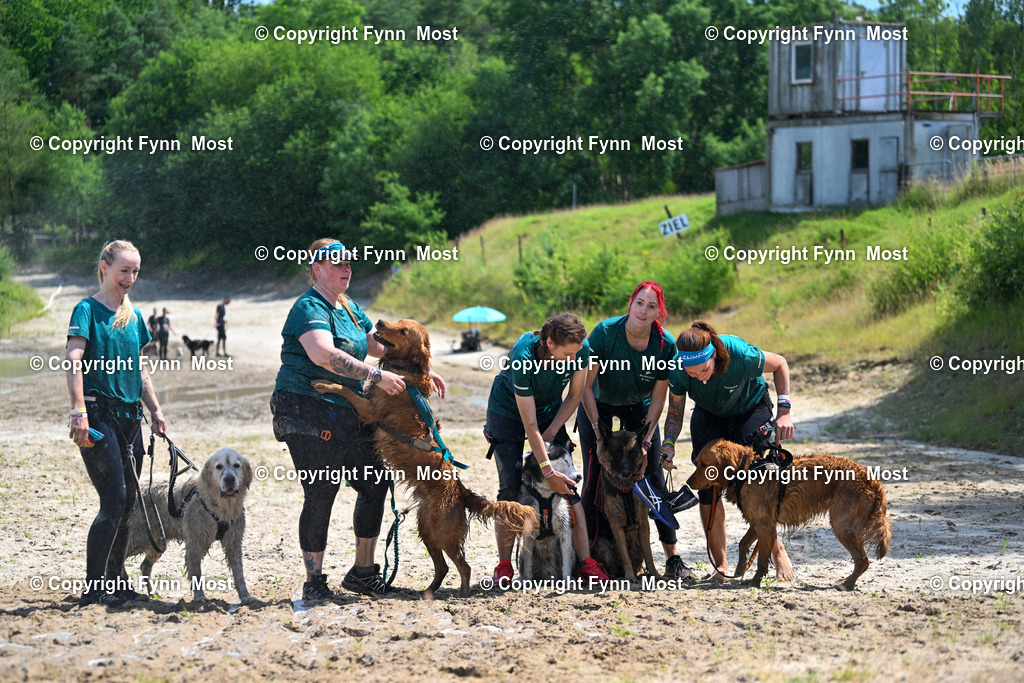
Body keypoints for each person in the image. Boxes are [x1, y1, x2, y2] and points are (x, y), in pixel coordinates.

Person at [270, 239, 447, 599]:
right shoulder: (309, 306)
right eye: (336, 263)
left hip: (346, 408)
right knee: (322, 488)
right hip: (304, 406)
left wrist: (420, 370)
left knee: (374, 482)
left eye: (349, 262)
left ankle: (363, 573)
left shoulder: (349, 307)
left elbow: (380, 345)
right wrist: (377, 376)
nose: (346, 268)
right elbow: (322, 354)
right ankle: (314, 581)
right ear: (316, 268)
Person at [66, 240, 168, 607]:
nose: (130, 278)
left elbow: (140, 369)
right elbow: (73, 360)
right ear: (105, 268)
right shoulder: (86, 310)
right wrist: (78, 411)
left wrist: (155, 409)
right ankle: (94, 587)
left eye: (135, 271)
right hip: (97, 416)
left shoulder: (134, 316)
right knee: (115, 499)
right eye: (124, 270)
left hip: (130, 419)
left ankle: (116, 580)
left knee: (129, 504)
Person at [661, 320, 795, 582]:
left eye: (704, 369)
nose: (699, 376)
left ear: (714, 356)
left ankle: (778, 552)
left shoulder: (739, 353)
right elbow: (675, 414)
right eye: (692, 373)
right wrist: (668, 444)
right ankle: (721, 566)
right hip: (709, 415)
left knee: (758, 483)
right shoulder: (678, 369)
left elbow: (780, 363)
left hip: (750, 408)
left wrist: (785, 412)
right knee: (707, 484)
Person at [577, 281, 694, 580]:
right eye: (639, 303)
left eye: (651, 306)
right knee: (593, 480)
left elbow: (659, 397)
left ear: (659, 312)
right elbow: (585, 387)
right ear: (631, 303)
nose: (644, 310)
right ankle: (589, 560)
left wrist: (646, 439)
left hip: (638, 408)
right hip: (599, 406)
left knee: (652, 477)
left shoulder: (665, 344)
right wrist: (596, 430)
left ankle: (672, 557)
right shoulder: (605, 333)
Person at [485, 313, 609, 583]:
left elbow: (575, 395)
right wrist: (548, 471)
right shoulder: (523, 357)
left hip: (550, 412)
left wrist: (552, 432)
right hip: (508, 412)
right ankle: (504, 565)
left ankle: (586, 562)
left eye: (578, 354)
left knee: (569, 487)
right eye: (568, 354)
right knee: (509, 487)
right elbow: (530, 426)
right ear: (550, 343)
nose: (575, 359)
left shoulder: (581, 348)